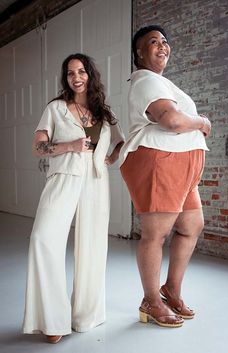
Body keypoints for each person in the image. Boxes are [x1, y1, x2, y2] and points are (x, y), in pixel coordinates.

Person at [22, 53, 125, 343]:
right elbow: (38, 147)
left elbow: (120, 141)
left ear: (90, 75)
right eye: (70, 73)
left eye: (81, 71)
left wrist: (109, 158)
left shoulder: (103, 113)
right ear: (65, 78)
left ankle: (85, 315)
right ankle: (52, 320)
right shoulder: (56, 108)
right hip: (64, 178)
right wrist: (71, 145)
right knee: (43, 239)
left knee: (92, 248)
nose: (76, 77)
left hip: (95, 182)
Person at [119, 25, 211, 328]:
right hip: (160, 162)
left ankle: (170, 290)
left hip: (181, 166)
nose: (162, 46)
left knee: (191, 225)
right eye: (153, 42)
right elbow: (171, 120)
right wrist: (202, 122)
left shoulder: (161, 82)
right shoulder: (145, 80)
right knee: (156, 234)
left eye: (165, 42)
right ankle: (151, 300)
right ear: (139, 53)